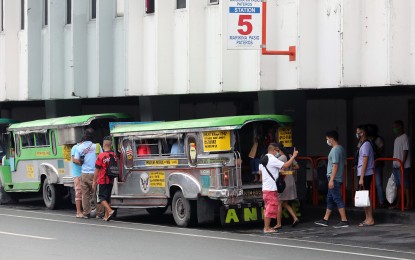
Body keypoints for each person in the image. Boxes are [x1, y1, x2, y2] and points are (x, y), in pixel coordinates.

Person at [258, 143, 299, 233]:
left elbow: (260, 171)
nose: (278, 153)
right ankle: (267, 228)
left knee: (267, 207)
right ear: (273, 150)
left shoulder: (263, 159)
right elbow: (285, 165)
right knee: (270, 208)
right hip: (271, 188)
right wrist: (293, 156)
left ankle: (267, 227)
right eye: (277, 151)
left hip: (265, 188)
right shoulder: (272, 159)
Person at [315, 130, 349, 228]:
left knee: (337, 198)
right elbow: (344, 163)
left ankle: (344, 220)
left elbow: (335, 165)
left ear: (331, 139)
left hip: (334, 178)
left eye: (327, 139)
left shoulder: (335, 150)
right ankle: (325, 219)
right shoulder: (341, 149)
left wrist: (331, 179)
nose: (327, 141)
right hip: (336, 177)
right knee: (329, 199)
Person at [74, 128, 103, 219]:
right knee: (96, 194)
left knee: (85, 195)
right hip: (95, 173)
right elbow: (101, 158)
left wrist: (82, 162)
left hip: (84, 173)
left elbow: (76, 160)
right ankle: (99, 213)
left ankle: (86, 213)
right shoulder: (97, 146)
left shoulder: (79, 148)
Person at [273, 142, 300, 230]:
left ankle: (278, 224)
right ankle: (295, 218)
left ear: (277, 149)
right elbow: (297, 166)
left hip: (283, 182)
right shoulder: (289, 155)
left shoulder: (281, 158)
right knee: (285, 203)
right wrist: (290, 169)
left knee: (279, 203)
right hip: (290, 180)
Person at [93, 136, 116, 221]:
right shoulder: (114, 155)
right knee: (107, 198)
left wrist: (94, 181)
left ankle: (109, 211)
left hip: (102, 180)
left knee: (101, 198)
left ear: (103, 145)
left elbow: (97, 169)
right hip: (111, 180)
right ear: (111, 145)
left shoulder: (101, 156)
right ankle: (106, 216)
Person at [355, 125, 375, 227]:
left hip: (365, 173)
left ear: (363, 133)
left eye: (358, 132)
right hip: (363, 173)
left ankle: (370, 218)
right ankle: (367, 218)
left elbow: (365, 162)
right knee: (364, 196)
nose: (357, 134)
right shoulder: (362, 144)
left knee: (365, 196)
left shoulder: (366, 145)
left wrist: (361, 177)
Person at [392, 120, 411, 210]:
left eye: (396, 127)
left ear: (401, 127)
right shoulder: (396, 139)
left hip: (403, 166)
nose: (394, 128)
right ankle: (398, 203)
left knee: (406, 185)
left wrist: (402, 164)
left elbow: (405, 151)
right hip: (396, 166)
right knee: (398, 185)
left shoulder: (405, 137)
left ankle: (408, 204)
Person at [367, 124, 386, 207]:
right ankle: (367, 202)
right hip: (368, 165)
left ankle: (381, 201)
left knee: (378, 183)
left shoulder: (378, 139)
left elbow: (382, 150)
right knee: (367, 183)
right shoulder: (365, 140)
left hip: (377, 164)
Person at [71, 140, 83, 218]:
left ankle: (83, 211)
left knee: (84, 193)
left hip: (83, 173)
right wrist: (84, 163)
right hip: (77, 174)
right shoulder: (75, 147)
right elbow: (74, 159)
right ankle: (78, 212)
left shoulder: (82, 147)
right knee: (79, 192)